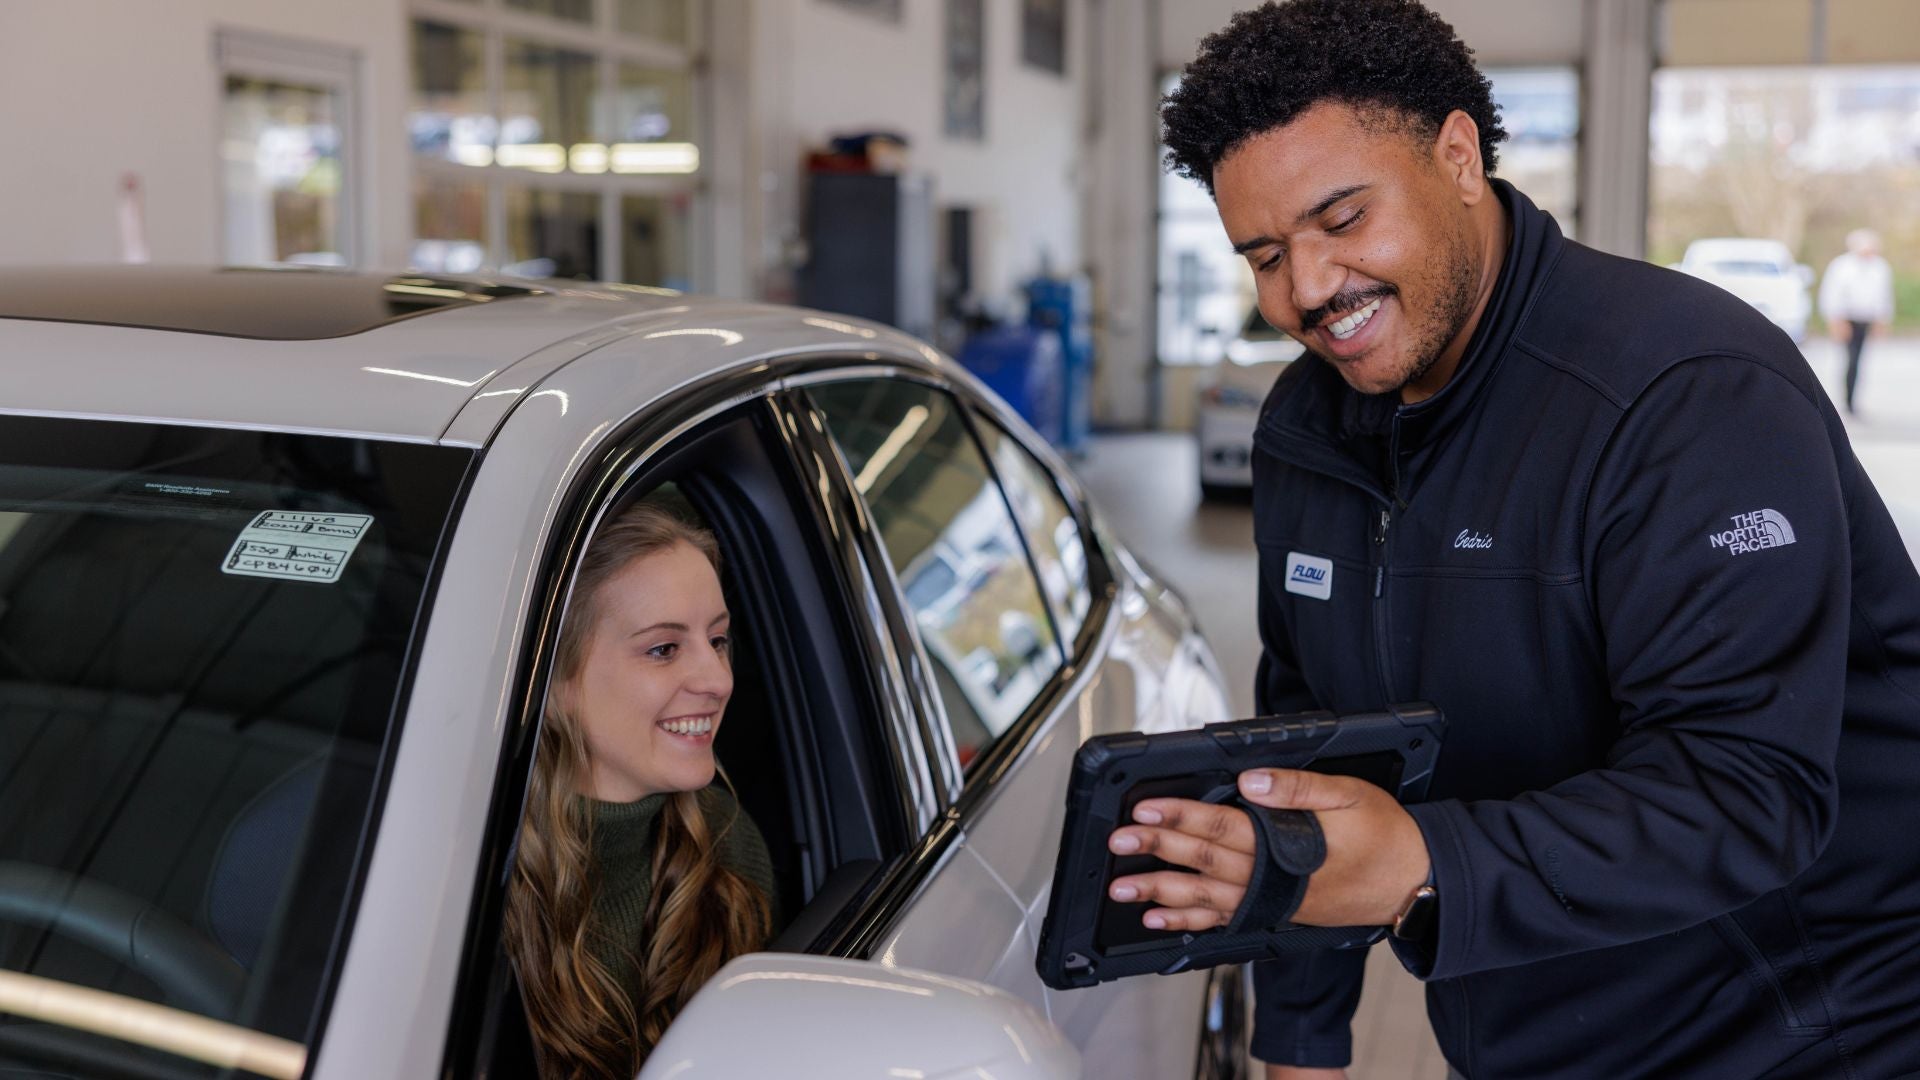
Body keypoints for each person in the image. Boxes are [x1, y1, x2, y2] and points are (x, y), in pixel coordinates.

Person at [1104, 1, 1920, 1077]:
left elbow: (1744, 792)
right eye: (1264, 254)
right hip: (1529, 1029)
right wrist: (1301, 1038)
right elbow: (1308, 746)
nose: (1304, 289)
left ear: (1456, 155)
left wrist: (1421, 860)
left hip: (1807, 1029)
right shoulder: (1307, 429)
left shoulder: (1687, 396)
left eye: (1342, 220)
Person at [504, 497, 777, 1079]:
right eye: (663, 649)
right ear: (551, 684)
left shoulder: (730, 848)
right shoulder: (463, 885)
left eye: (719, 640)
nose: (718, 680)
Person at [1819, 228, 1896, 414]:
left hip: (1866, 319)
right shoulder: (1841, 266)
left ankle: (1852, 399)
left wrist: (1882, 321)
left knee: (1859, 361)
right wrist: (1836, 321)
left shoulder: (1880, 267)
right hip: (1847, 319)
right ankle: (1847, 400)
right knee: (1850, 360)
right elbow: (1832, 294)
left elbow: (1884, 296)